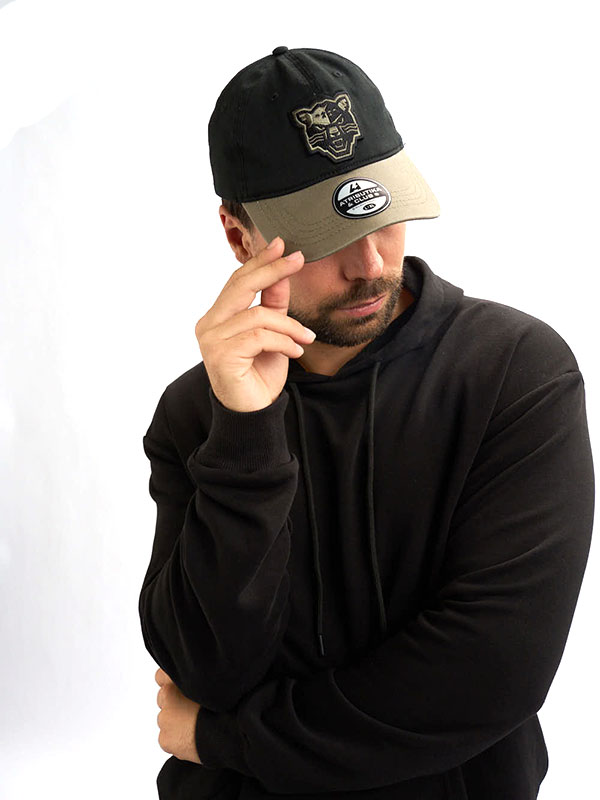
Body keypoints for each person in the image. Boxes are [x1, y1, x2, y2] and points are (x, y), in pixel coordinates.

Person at [139, 46, 595, 800]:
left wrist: (223, 738)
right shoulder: (199, 411)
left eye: (381, 214)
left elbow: (488, 676)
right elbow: (204, 668)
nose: (369, 263)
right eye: (321, 235)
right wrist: (246, 435)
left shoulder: (513, 372)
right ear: (238, 236)